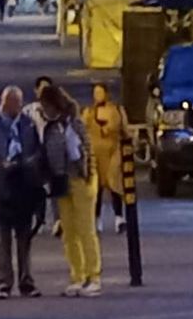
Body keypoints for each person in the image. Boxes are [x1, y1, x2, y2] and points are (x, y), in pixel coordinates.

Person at [0, 86, 43, 298]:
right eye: (17, 104)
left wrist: (31, 162)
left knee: (25, 237)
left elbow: (37, 150)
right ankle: (4, 283)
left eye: (21, 103)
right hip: (1, 186)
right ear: (6, 103)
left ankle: (27, 282)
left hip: (24, 185)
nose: (20, 108)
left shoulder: (28, 124)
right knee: (3, 238)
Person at [39, 83, 102, 296]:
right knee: (69, 231)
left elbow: (88, 149)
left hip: (79, 178)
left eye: (45, 105)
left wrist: (89, 176)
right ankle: (77, 275)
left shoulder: (75, 123)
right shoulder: (49, 128)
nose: (43, 110)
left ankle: (94, 276)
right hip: (60, 181)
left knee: (86, 229)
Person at [85, 82, 128, 234]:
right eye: (95, 93)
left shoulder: (114, 110)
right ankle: (96, 219)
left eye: (100, 92)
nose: (98, 96)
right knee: (97, 188)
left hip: (112, 152)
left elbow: (120, 127)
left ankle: (119, 217)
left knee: (114, 183)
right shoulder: (89, 112)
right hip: (95, 154)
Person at [30, 76, 59, 237]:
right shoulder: (30, 111)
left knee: (56, 187)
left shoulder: (59, 110)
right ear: (36, 91)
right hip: (36, 153)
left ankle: (58, 220)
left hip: (54, 152)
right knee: (37, 189)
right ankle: (39, 219)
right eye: (41, 89)